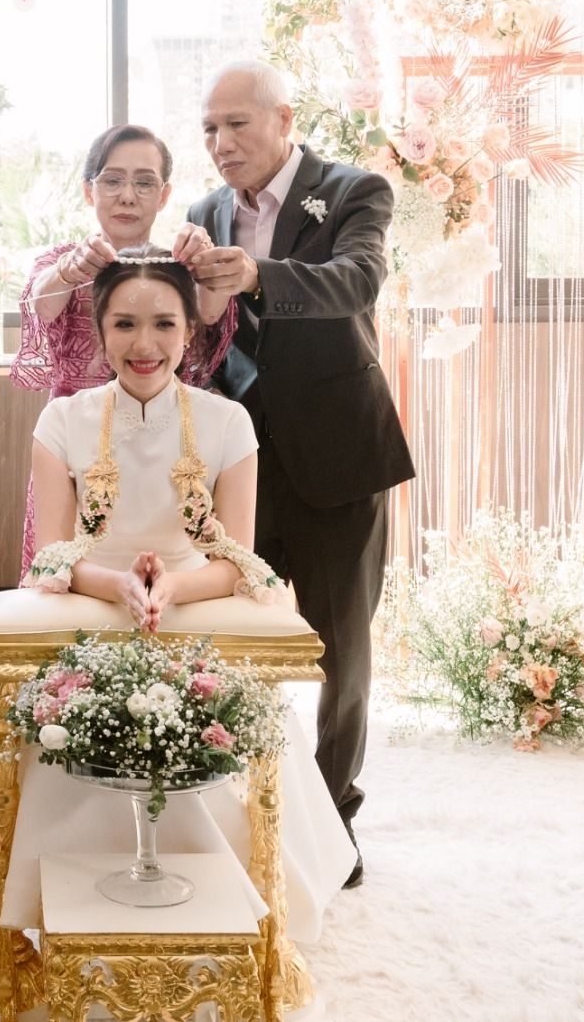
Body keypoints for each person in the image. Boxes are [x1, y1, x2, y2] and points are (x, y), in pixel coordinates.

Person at [0, 254, 355, 945]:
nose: (144, 344)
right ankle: (53, 889)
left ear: (192, 333)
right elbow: (54, 554)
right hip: (89, 591)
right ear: (99, 328)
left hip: (193, 594)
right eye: (124, 324)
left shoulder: (228, 421)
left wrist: (170, 586)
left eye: (164, 325)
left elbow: (234, 561)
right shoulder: (63, 419)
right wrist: (118, 585)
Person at [184, 58, 414, 889]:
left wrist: (257, 276)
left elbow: (358, 281)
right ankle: (224, 810)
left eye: (236, 124)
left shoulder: (353, 191)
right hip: (241, 465)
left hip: (341, 456)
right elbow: (201, 333)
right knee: (224, 638)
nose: (220, 143)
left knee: (338, 650)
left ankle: (333, 824)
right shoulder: (205, 213)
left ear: (285, 120)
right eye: (209, 129)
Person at [10, 124, 236, 576]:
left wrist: (204, 262)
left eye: (144, 182)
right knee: (63, 566)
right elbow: (41, 301)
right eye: (112, 180)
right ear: (89, 190)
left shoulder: (177, 264)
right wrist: (72, 269)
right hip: (76, 444)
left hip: (164, 441)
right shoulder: (61, 260)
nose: (127, 196)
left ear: (164, 195)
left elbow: (210, 313)